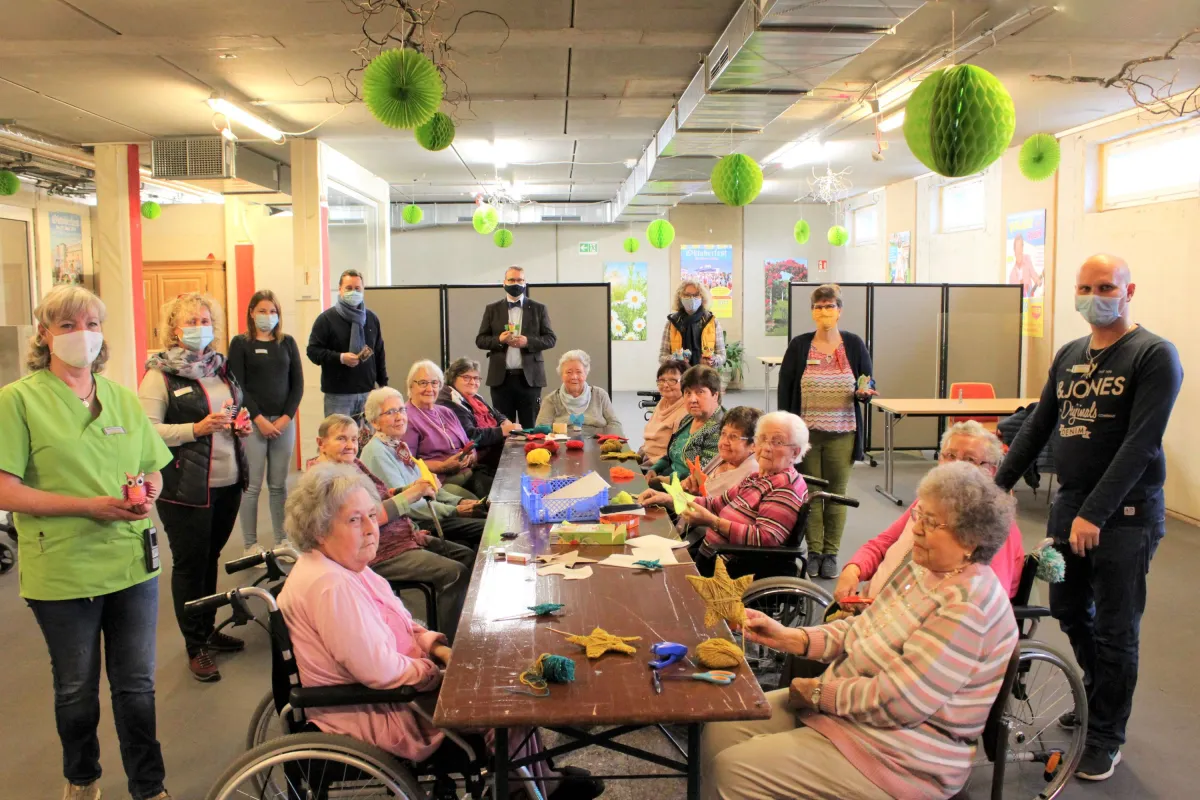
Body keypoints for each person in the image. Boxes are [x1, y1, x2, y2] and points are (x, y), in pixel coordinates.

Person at [277, 464, 603, 799]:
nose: (372, 529)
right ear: (319, 529)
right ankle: (529, 789)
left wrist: (439, 650)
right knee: (506, 698)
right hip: (380, 710)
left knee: (500, 671)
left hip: (395, 689)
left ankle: (541, 779)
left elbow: (403, 624)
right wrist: (434, 673)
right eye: (354, 520)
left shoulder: (347, 567)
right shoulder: (330, 585)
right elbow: (379, 670)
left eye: (372, 516)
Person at [702, 462, 1019, 800]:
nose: (916, 529)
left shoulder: (968, 608)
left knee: (734, 772)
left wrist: (820, 694)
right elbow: (864, 627)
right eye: (919, 516)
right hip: (849, 716)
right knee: (721, 726)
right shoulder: (922, 570)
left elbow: (900, 701)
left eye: (931, 522)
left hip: (900, 756)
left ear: (971, 540)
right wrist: (790, 637)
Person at [995, 254, 1183, 781]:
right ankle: (1099, 697)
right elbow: (1037, 426)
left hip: (1125, 516)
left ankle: (1106, 735)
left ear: (1129, 291)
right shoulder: (1070, 354)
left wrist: (1095, 513)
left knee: (1116, 630)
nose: (1093, 297)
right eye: (1084, 288)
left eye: (1105, 287)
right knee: (1070, 610)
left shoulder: (1153, 355)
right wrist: (995, 488)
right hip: (1070, 508)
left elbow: (1140, 444)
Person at [0, 286, 174, 800]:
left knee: (137, 685)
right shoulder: (18, 400)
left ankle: (149, 785)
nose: (84, 335)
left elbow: (152, 467)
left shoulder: (119, 396)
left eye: (92, 324)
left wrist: (148, 492)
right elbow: (5, 488)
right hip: (63, 569)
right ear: (45, 335)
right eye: (69, 325)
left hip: (131, 562)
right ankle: (82, 778)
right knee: (76, 689)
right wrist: (87, 506)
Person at [139, 292, 251, 683]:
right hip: (184, 487)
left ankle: (206, 629)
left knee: (210, 557)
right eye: (190, 321)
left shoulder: (221, 368)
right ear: (174, 329)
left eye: (204, 320)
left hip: (228, 481)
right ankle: (195, 645)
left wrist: (240, 424)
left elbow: (232, 409)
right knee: (190, 565)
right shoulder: (159, 375)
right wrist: (195, 429)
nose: (199, 327)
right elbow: (146, 432)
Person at [313, 414, 475, 642]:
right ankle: (447, 644)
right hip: (376, 551)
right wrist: (412, 494)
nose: (350, 445)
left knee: (467, 556)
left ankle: (454, 628)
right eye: (341, 439)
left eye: (354, 439)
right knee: (455, 573)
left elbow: (380, 495)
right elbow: (371, 517)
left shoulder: (352, 464)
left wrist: (406, 490)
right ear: (321, 443)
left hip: (400, 537)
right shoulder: (327, 479)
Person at [835, 421, 1026, 603]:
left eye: (969, 459)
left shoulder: (993, 525)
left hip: (909, 618)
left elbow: (986, 601)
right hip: (871, 606)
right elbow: (883, 543)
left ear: (991, 470)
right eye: (950, 455)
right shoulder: (928, 502)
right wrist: (854, 569)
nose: (956, 465)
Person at [778, 283, 876, 580]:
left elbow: (867, 380)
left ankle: (831, 553)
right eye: (819, 307)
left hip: (842, 433)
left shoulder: (853, 344)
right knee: (811, 494)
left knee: (836, 495)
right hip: (807, 436)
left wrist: (865, 392)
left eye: (829, 306)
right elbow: (786, 388)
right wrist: (787, 431)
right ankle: (815, 552)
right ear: (812, 312)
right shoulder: (800, 345)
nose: (824, 312)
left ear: (839, 310)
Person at [640, 411, 808, 577]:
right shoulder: (756, 477)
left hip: (732, 570)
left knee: (655, 573)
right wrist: (668, 498)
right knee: (649, 560)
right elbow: (714, 504)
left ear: (795, 452)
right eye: (762, 439)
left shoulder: (786, 486)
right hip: (711, 556)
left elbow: (766, 538)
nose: (766, 447)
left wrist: (713, 522)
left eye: (778, 442)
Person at [360, 387, 486, 550]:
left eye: (401, 410)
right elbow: (407, 504)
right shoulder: (377, 452)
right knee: (484, 529)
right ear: (374, 422)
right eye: (390, 412)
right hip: (416, 522)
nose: (399, 417)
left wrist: (461, 502)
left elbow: (428, 486)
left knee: (481, 525)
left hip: (430, 513)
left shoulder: (398, 445)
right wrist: (455, 510)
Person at [228, 289, 304, 557]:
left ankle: (282, 539)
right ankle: (250, 545)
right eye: (262, 310)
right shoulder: (240, 344)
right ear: (251, 313)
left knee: (279, 485)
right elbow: (237, 385)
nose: (268, 316)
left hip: (284, 423)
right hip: (252, 423)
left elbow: (298, 385)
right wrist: (258, 419)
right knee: (251, 487)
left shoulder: (287, 343)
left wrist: (285, 418)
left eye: (273, 311)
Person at [475, 265, 557, 427]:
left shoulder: (539, 308)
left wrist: (527, 342)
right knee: (504, 427)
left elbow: (550, 339)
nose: (516, 284)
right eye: (511, 280)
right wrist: (499, 339)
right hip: (501, 379)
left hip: (529, 379)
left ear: (525, 283)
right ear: (504, 283)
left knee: (530, 426)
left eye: (520, 280)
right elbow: (481, 340)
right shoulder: (492, 309)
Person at [403, 360, 492, 499]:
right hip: (439, 482)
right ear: (411, 386)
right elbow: (409, 463)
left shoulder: (446, 411)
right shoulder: (406, 417)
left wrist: (470, 456)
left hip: (469, 472)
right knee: (480, 504)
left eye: (434, 383)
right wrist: (443, 466)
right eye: (423, 383)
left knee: (499, 492)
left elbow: (468, 443)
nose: (429, 389)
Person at [306, 269, 388, 419]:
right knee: (338, 433)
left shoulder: (371, 318)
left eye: (357, 289)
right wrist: (340, 358)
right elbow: (313, 351)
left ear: (363, 290)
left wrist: (383, 385)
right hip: (338, 396)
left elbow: (379, 352)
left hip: (368, 393)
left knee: (368, 434)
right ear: (340, 289)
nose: (353, 292)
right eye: (349, 288)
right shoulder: (326, 319)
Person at [646, 365, 726, 487]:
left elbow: (703, 474)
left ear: (715, 395)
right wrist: (654, 469)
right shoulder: (688, 418)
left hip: (689, 490)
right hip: (666, 477)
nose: (692, 399)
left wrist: (665, 480)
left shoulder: (721, 429)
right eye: (688, 393)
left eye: (700, 392)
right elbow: (672, 454)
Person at [438, 357, 519, 468]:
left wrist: (503, 421)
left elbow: (496, 414)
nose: (473, 382)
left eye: (476, 378)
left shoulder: (475, 397)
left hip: (493, 449)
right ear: (453, 378)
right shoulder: (450, 401)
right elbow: (470, 435)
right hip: (478, 460)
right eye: (466, 377)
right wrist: (502, 431)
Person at [535, 349, 624, 436]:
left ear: (585, 374)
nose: (574, 377)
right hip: (561, 443)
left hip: (598, 442)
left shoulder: (600, 395)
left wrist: (607, 440)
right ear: (562, 375)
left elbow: (615, 424)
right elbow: (541, 431)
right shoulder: (551, 400)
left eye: (579, 372)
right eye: (569, 372)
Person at [681, 405, 761, 499]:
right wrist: (689, 484)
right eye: (723, 433)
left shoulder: (752, 472)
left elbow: (724, 506)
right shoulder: (723, 456)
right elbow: (698, 486)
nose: (724, 442)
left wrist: (696, 495)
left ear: (754, 445)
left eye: (733, 436)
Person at [658, 279, 726, 368]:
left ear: (702, 297)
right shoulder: (672, 322)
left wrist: (713, 360)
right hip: (679, 373)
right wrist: (676, 359)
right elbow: (662, 356)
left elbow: (722, 355)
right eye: (687, 295)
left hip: (704, 373)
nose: (691, 298)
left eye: (696, 295)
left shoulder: (711, 321)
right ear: (680, 297)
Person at [638, 359, 689, 466]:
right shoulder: (663, 402)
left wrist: (652, 463)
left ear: (685, 382)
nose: (665, 385)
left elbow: (679, 452)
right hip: (646, 455)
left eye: (672, 380)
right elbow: (651, 439)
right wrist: (641, 452)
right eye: (661, 380)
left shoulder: (687, 410)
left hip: (663, 464)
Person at [1008, 234, 1043, 299]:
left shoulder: (1027, 259)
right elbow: (1012, 293)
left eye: (1021, 246)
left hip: (1029, 299)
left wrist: (1038, 280)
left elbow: (1033, 273)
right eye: (1017, 248)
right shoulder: (1012, 274)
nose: (1019, 250)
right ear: (1014, 250)